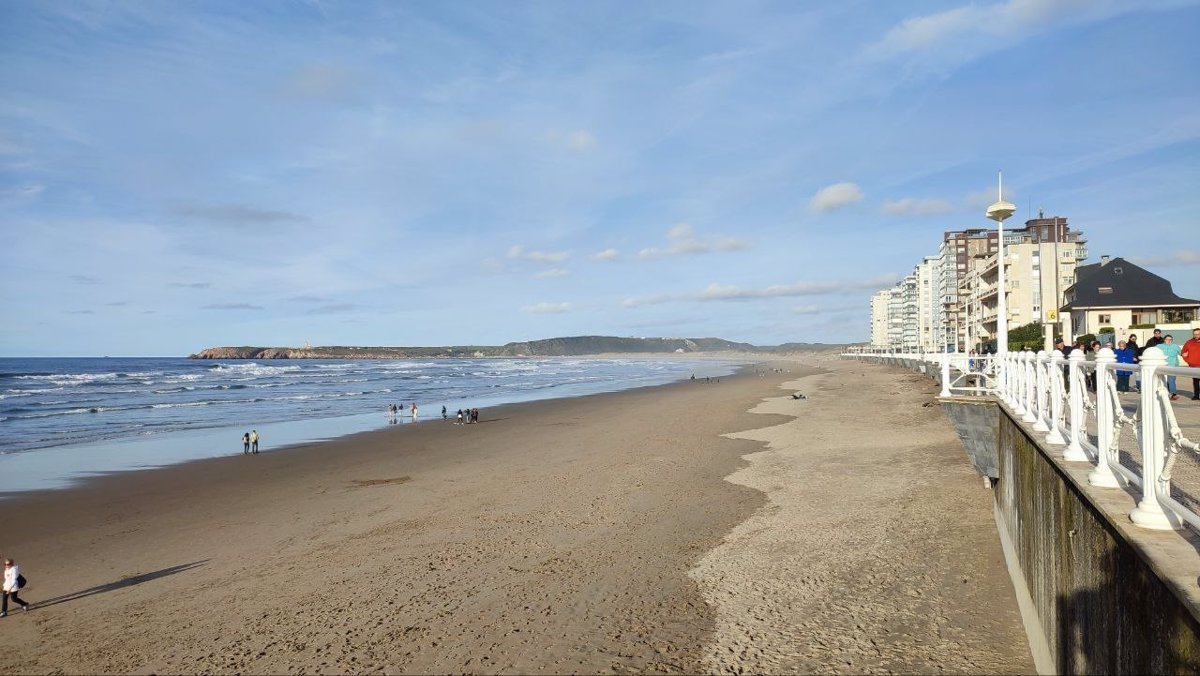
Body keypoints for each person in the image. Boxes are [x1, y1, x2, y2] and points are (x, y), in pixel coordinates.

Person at [1159, 334, 1183, 401]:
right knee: (1162, 380)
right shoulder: (1159, 346)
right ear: (1164, 340)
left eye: (1170, 339)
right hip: (1162, 366)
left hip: (1173, 366)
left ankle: (1173, 393)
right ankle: (1163, 393)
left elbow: (1182, 354)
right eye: (1167, 339)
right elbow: (1152, 351)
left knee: (1171, 380)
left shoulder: (1175, 346)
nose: (1169, 341)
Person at [1183, 327, 1200, 400]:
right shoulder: (1189, 342)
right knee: (1195, 381)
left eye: (1198, 334)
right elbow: (1183, 352)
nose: (1196, 335)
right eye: (1195, 334)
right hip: (1194, 366)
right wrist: (1188, 360)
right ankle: (1196, 395)